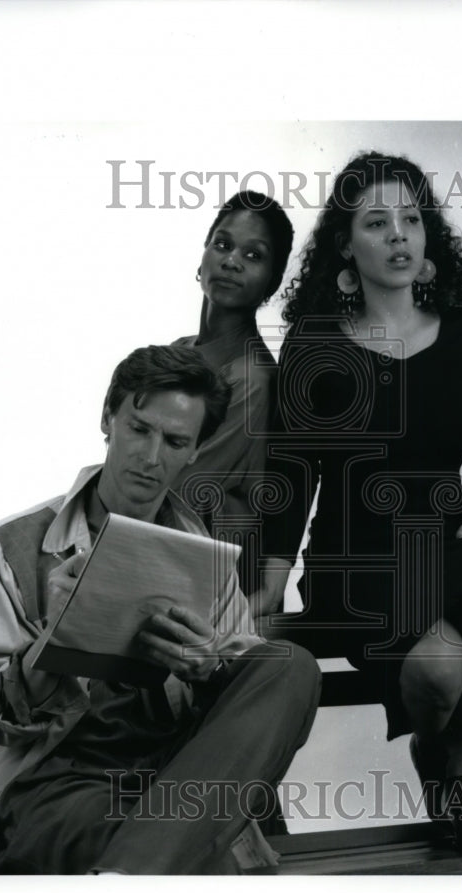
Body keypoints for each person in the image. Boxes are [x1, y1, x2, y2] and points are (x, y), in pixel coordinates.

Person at [0, 344, 320, 875]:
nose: (151, 458)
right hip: (50, 783)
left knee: (289, 666)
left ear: (195, 451)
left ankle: (127, 878)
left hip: (168, 782)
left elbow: (241, 715)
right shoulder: (10, 548)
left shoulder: (206, 559)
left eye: (175, 441)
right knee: (194, 859)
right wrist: (51, 647)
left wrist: (210, 669)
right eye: (139, 429)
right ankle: (142, 871)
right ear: (108, 418)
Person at [252, 152, 462, 854]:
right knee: (437, 674)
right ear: (345, 245)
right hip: (357, 556)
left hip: (447, 541)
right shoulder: (315, 342)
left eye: (411, 219)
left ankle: (461, 777)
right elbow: (290, 473)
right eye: (377, 222)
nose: (399, 235)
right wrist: (272, 576)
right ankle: (434, 752)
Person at [172, 191, 294, 597]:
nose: (231, 261)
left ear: (271, 285)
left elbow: (178, 488)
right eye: (222, 245)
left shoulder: (251, 377)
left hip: (215, 580)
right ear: (201, 258)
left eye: (253, 255)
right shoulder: (178, 351)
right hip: (165, 542)